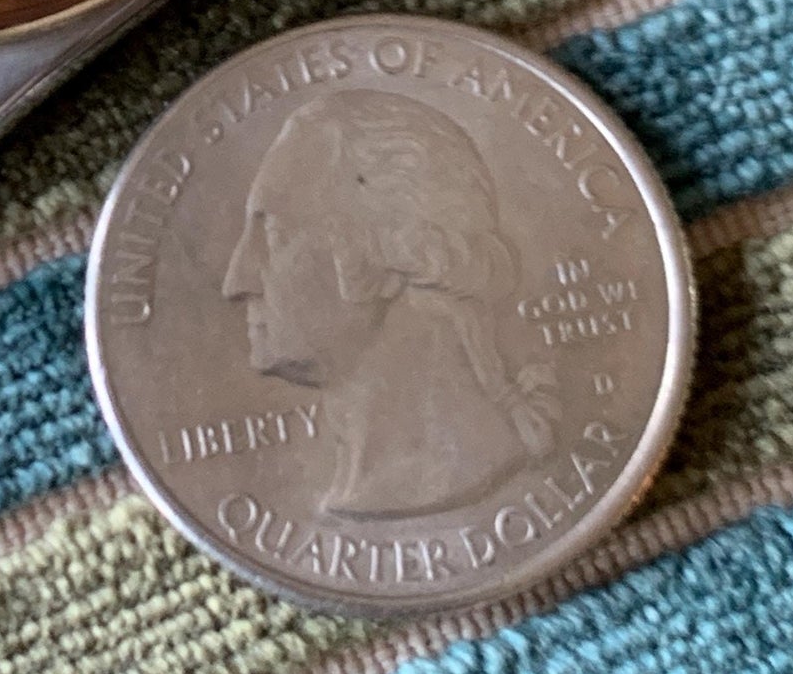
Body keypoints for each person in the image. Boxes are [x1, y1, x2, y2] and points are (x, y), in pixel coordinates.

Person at [221, 90, 558, 515]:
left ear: (396, 246)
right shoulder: (367, 486)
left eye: (272, 234)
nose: (235, 282)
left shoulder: (457, 470)